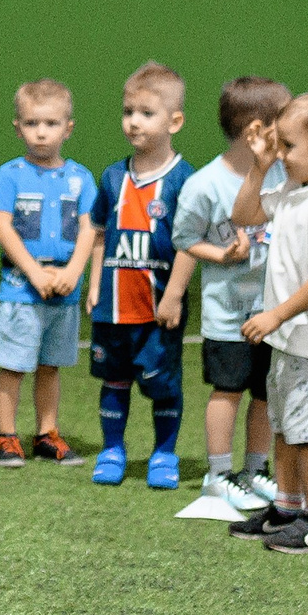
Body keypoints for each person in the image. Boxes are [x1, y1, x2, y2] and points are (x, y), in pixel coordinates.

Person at [229, 91, 308, 553]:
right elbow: (242, 216)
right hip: (288, 341)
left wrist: (275, 314)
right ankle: (287, 506)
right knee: (286, 427)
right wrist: (260, 166)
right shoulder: (295, 191)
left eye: (287, 147)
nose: (280, 154)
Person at [167, 77, 290, 514]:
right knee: (228, 390)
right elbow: (184, 237)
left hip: (273, 313)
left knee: (264, 392)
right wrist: (221, 254)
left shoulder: (286, 175)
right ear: (256, 130)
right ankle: (218, 475)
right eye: (283, 120)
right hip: (228, 315)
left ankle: (255, 471)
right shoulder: (204, 184)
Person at [86, 62, 195, 488]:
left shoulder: (185, 179)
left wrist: (175, 296)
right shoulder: (113, 176)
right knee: (113, 380)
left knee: (162, 384)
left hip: (157, 309)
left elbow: (189, 243)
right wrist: (95, 284)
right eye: (128, 111)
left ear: (175, 121)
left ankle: (164, 454)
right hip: (113, 306)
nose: (133, 121)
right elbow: (98, 234)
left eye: (146, 113)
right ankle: (112, 450)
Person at [0, 80, 98, 466]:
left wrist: (74, 272)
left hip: (63, 293)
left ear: (68, 128)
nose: (41, 132)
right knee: (14, 365)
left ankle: (46, 434)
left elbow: (90, 229)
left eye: (50, 123)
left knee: (51, 366)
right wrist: (34, 272)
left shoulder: (81, 178)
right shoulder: (10, 175)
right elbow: (2, 227)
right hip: (22, 292)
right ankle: (6, 436)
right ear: (18, 127)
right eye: (32, 123)